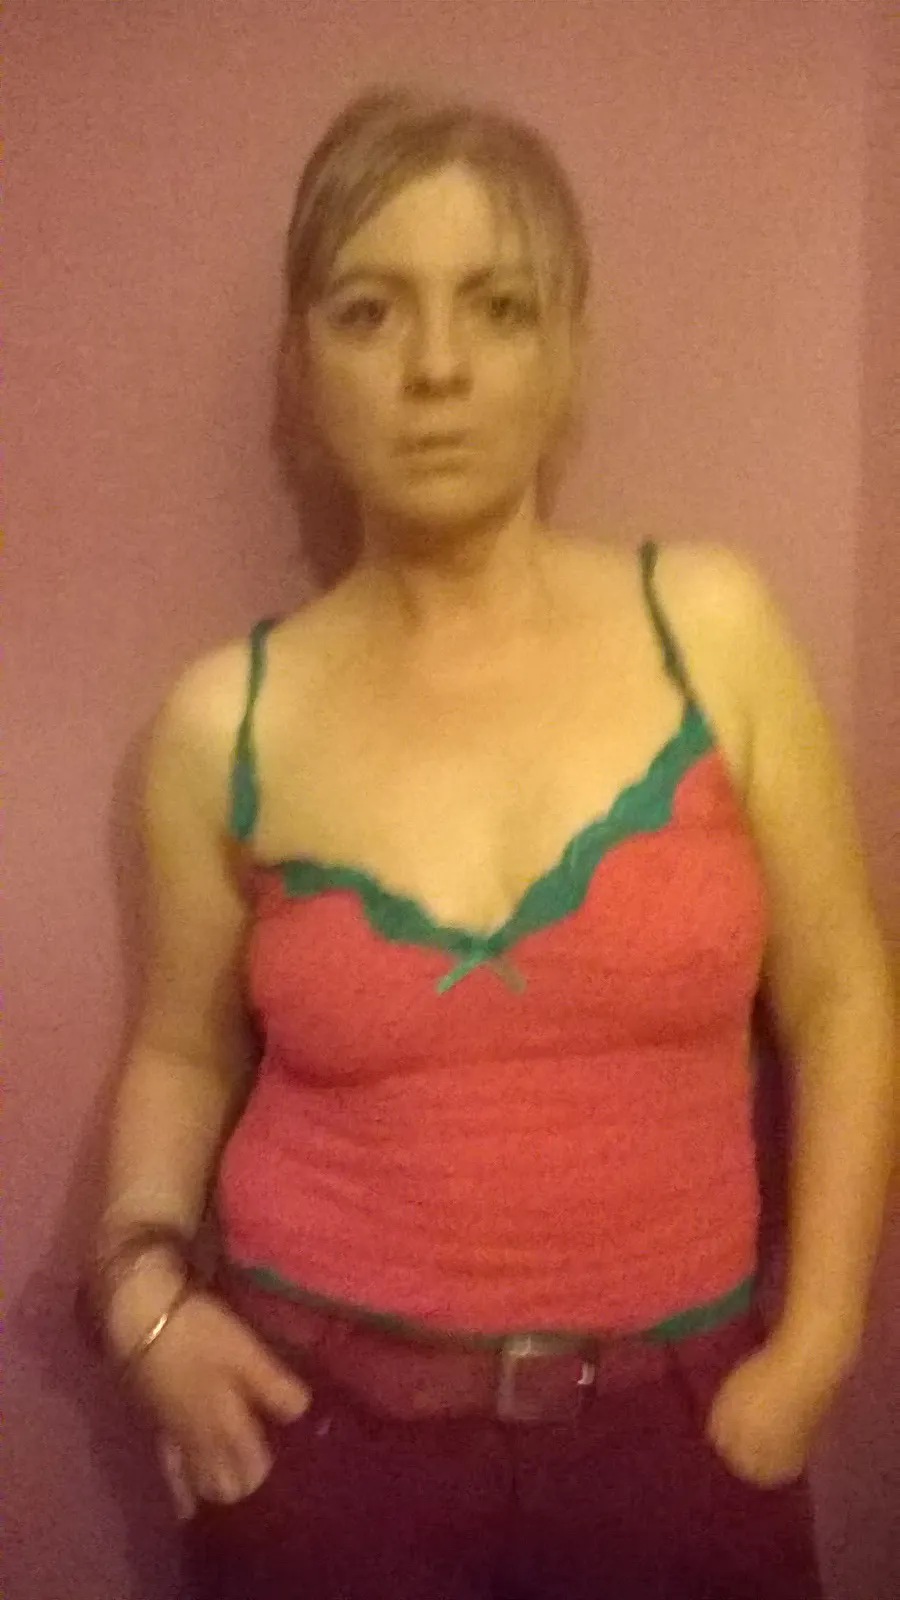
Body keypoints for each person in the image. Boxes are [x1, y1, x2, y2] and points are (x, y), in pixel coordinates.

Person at [82, 87, 896, 1599]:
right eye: (369, 310)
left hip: (681, 1438)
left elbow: (842, 993)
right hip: (320, 1449)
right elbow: (183, 1055)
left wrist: (815, 1352)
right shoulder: (222, 721)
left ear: (569, 350)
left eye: (499, 307)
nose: (438, 368)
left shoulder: (710, 628)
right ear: (300, 362)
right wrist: (143, 1307)